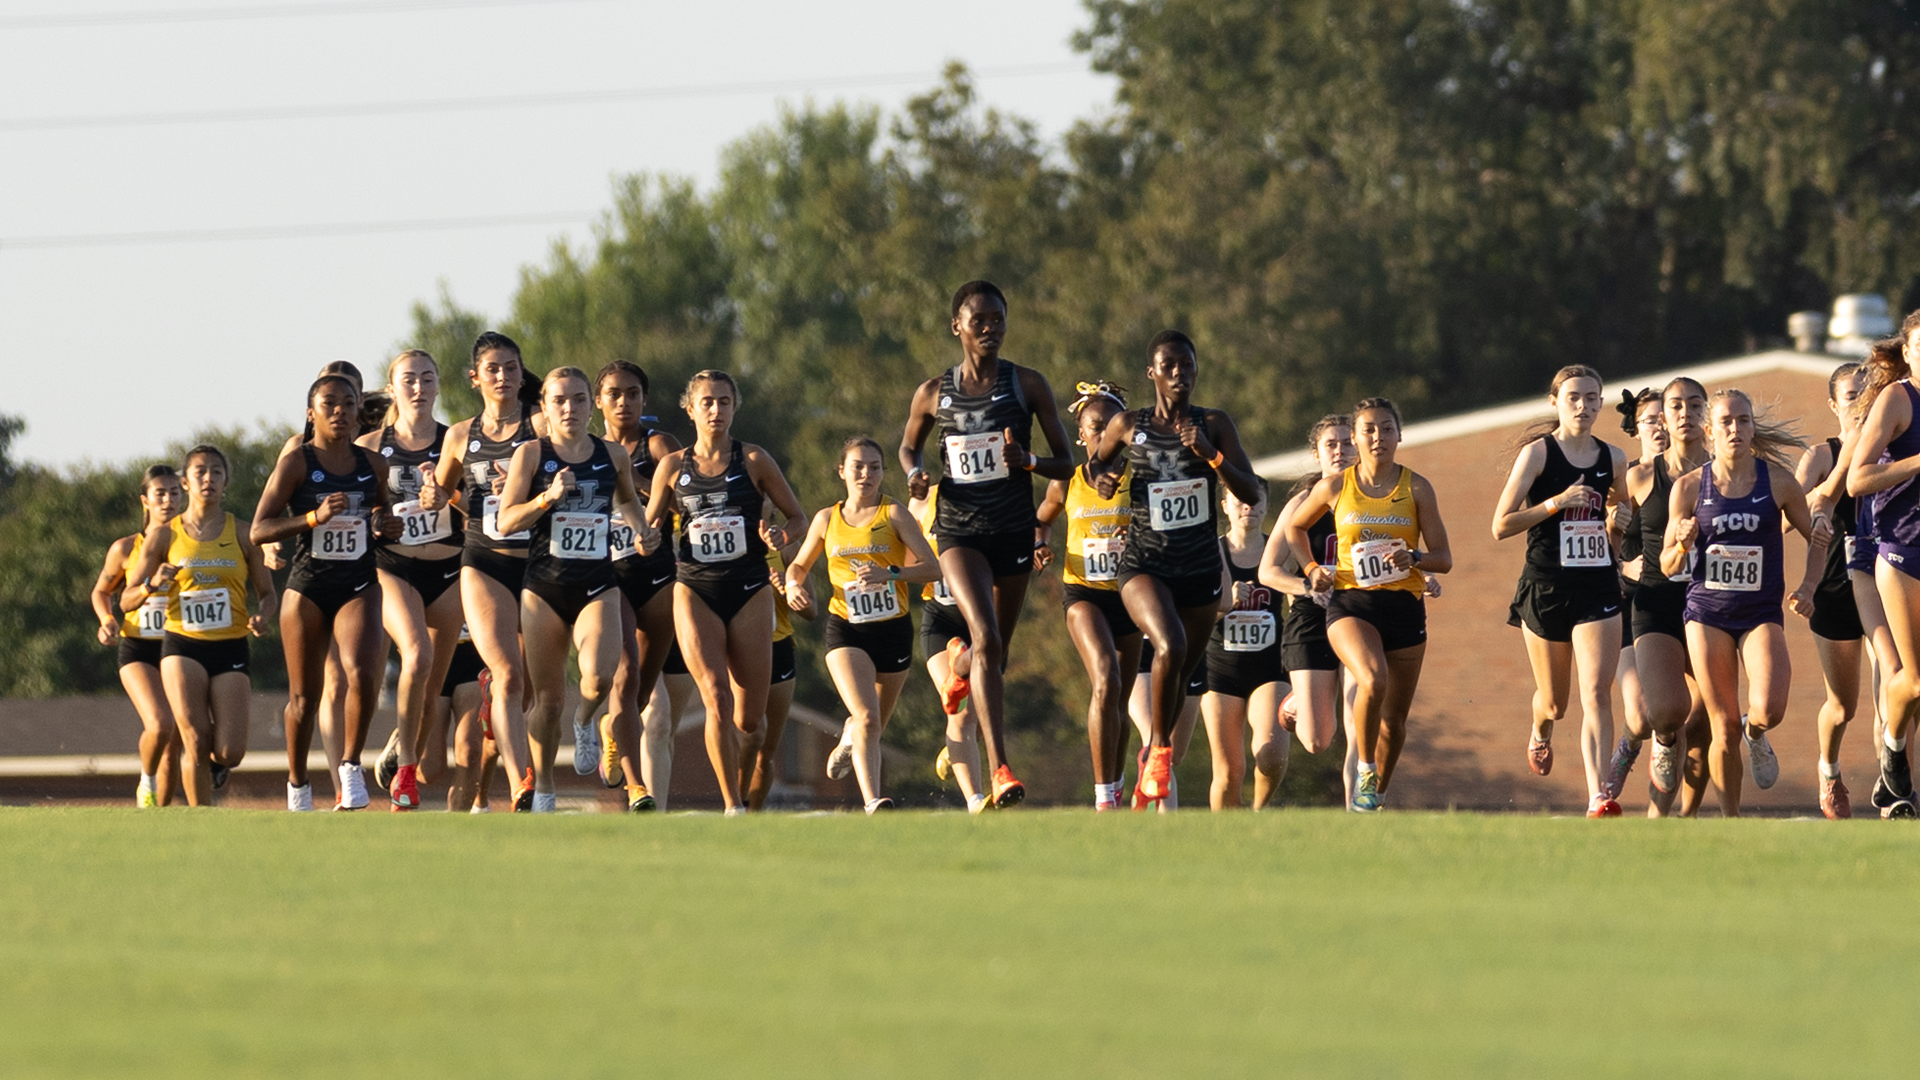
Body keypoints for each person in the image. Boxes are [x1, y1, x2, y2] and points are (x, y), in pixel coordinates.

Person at [898, 280, 1075, 808]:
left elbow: (1067, 463)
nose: (990, 328)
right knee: (986, 633)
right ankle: (1000, 769)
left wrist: (1030, 463)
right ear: (958, 326)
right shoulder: (934, 392)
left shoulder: (1028, 384)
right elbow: (908, 446)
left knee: (994, 652)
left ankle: (960, 667)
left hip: (1013, 531)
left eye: (998, 319)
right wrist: (916, 472)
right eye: (980, 320)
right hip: (959, 531)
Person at [1087, 330, 1262, 809]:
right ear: (1153, 374)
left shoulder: (1214, 423)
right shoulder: (1127, 424)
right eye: (1170, 366)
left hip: (1201, 568)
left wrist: (1212, 454)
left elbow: (1251, 492)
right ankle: (1159, 750)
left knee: (1180, 669)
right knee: (1170, 643)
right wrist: (1101, 479)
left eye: (1187, 365)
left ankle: (1152, 761)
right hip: (1145, 563)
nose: (1180, 373)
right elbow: (1093, 468)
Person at [642, 370, 806, 815]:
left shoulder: (753, 460)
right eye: (707, 402)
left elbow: (798, 519)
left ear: (735, 407)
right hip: (695, 590)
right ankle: (732, 806)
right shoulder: (673, 466)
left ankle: (744, 781)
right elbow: (650, 525)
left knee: (749, 721)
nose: (716, 410)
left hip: (750, 588)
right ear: (690, 409)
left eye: (724, 402)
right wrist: (644, 539)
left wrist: (781, 537)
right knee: (715, 694)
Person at [496, 366, 654, 812]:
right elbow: (505, 521)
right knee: (546, 702)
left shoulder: (611, 455)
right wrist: (546, 498)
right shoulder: (531, 455)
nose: (570, 408)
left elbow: (626, 499)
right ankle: (544, 785)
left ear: (591, 405)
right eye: (560, 400)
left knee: (600, 677)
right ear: (544, 407)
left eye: (579, 399)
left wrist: (642, 528)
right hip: (543, 587)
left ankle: (587, 721)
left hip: (597, 583)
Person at [1286, 397, 1453, 812]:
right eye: (1369, 430)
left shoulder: (1416, 488)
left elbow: (1444, 558)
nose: (1378, 437)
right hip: (1351, 605)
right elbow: (1294, 527)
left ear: (1399, 435)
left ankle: (1372, 798)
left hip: (1405, 609)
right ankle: (1364, 768)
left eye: (1386, 428)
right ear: (1357, 438)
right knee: (1372, 679)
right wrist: (1310, 569)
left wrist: (1413, 558)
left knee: (1394, 724)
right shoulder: (1336, 487)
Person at [1661, 389, 1815, 817]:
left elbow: (1819, 537)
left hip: (1760, 613)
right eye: (1726, 422)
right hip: (1707, 613)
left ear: (1752, 428)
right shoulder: (1690, 487)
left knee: (1769, 708)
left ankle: (1758, 731)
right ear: (1710, 431)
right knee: (1722, 725)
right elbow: (1668, 561)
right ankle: (1732, 821)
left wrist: (1810, 585)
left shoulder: (1779, 481)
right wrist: (1682, 543)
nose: (1735, 429)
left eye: (1743, 421)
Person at [253, 374, 402, 810]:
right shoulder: (298, 463)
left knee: (363, 673)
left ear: (359, 411)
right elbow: (260, 529)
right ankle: (298, 783)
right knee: (304, 699)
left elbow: (380, 515)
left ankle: (351, 767)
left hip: (358, 582)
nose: (339, 411)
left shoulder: (373, 464)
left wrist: (383, 525)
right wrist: (313, 518)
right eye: (329, 403)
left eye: (348, 404)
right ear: (310, 412)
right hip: (309, 586)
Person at [1490, 365, 1630, 817]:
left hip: (1597, 587)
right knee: (1556, 702)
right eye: (1573, 397)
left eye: (1592, 398)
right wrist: (1555, 503)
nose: (1583, 406)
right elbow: (1501, 525)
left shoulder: (1614, 458)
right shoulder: (1538, 455)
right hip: (1547, 586)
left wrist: (1617, 526)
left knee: (1597, 692)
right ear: (1555, 402)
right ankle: (1540, 729)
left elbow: (1618, 518)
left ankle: (1599, 796)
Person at [422, 331, 546, 812]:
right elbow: (444, 492)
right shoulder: (458, 436)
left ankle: (499, 720)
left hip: (536, 563)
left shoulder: (539, 428)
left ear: (521, 374)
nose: (503, 377)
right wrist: (437, 496)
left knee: (527, 691)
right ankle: (522, 785)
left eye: (511, 368)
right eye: (493, 369)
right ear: (475, 378)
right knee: (510, 676)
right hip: (483, 562)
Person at [786, 438, 941, 813]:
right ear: (842, 471)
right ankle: (874, 801)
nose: (866, 474)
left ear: (884, 472)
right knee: (868, 717)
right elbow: (799, 565)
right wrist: (792, 585)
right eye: (857, 466)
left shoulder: (895, 514)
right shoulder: (827, 519)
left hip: (893, 630)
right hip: (846, 629)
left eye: (874, 467)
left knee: (872, 725)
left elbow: (933, 568)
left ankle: (848, 736)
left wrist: (891, 573)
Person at [121, 444, 277, 807]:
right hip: (182, 645)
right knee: (193, 738)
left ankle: (214, 765)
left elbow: (267, 593)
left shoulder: (243, 533)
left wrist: (263, 617)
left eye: (216, 472)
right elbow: (125, 600)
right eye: (200, 472)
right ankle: (200, 816)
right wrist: (150, 585)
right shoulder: (164, 536)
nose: (208, 479)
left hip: (230, 645)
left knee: (229, 751)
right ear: (186, 483)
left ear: (226, 483)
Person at [360, 350, 466, 810]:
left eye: (427, 379)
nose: (419, 388)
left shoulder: (458, 440)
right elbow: (351, 513)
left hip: (449, 569)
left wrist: (447, 495)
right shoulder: (368, 446)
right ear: (392, 388)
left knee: (431, 686)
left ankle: (402, 746)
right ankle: (405, 773)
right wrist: (376, 521)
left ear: (439, 386)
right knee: (417, 654)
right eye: (409, 380)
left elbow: (485, 509)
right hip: (394, 567)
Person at [1034, 380, 1141, 811]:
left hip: (1132, 594)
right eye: (1094, 427)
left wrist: (1138, 535)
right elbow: (1040, 519)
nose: (1102, 434)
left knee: (1121, 700)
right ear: (1081, 434)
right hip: (1083, 593)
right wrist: (1039, 542)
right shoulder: (1068, 481)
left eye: (1111, 425)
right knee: (1105, 676)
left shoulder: (1144, 475)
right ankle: (1103, 798)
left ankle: (1114, 788)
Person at [1623, 378, 1716, 815]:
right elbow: (1609, 533)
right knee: (1667, 711)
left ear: (1707, 414)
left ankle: (1680, 819)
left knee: (1704, 723)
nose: (1684, 414)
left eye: (1694, 405)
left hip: (1713, 605)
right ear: (1664, 417)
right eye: (1675, 406)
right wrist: (1621, 563)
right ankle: (1661, 744)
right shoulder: (1641, 476)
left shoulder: (1731, 472)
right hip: (1656, 602)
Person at [1260, 415, 1361, 808]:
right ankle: (1297, 701)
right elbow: (1268, 571)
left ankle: (1360, 809)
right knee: (1317, 740)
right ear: (1316, 454)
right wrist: (1307, 586)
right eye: (1331, 444)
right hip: (1312, 617)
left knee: (1357, 723)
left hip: (1359, 614)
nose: (1340, 451)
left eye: (1346, 443)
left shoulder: (1375, 499)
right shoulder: (1302, 504)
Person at [595, 360, 679, 808]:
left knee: (643, 687)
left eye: (632, 393)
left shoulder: (659, 444)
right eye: (614, 394)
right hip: (609, 576)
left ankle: (612, 727)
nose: (623, 401)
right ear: (599, 402)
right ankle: (635, 787)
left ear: (644, 399)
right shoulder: (587, 450)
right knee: (624, 677)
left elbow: (688, 495)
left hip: (659, 573)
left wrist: (636, 479)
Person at [1847, 315, 1920, 818]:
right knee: (1914, 682)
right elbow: (1857, 479)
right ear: (1908, 352)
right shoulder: (1898, 399)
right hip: (1903, 552)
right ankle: (1893, 748)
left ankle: (1900, 787)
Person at [1792, 362, 1869, 817]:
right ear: (1833, 404)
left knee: (1900, 690)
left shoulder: (1894, 448)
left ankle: (1895, 790)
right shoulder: (1823, 455)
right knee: (1843, 707)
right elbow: (1794, 508)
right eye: (1850, 395)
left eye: (1867, 394)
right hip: (1835, 589)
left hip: (1885, 583)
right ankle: (1829, 766)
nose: (1859, 403)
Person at [90, 465, 187, 807]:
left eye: (175, 492)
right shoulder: (125, 548)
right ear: (144, 500)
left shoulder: (191, 543)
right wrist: (106, 619)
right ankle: (146, 781)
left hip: (180, 646)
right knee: (160, 724)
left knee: (174, 740)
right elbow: (101, 591)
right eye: (160, 493)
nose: (168, 500)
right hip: (138, 647)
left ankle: (159, 814)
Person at [1200, 480, 1286, 810]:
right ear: (1224, 506)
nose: (1247, 507)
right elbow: (1191, 616)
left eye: (1254, 500)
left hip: (1270, 669)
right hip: (1220, 670)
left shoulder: (1280, 551)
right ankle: (1224, 839)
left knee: (1271, 754)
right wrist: (1225, 602)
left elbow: (1304, 599)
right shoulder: (1211, 552)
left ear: (1266, 505)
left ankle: (1257, 811)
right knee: (1227, 772)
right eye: (1238, 501)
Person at [911, 489, 990, 813]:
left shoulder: (991, 498)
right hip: (941, 618)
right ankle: (975, 801)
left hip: (982, 621)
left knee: (985, 709)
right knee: (961, 713)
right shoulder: (920, 503)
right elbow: (908, 562)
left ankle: (952, 749)